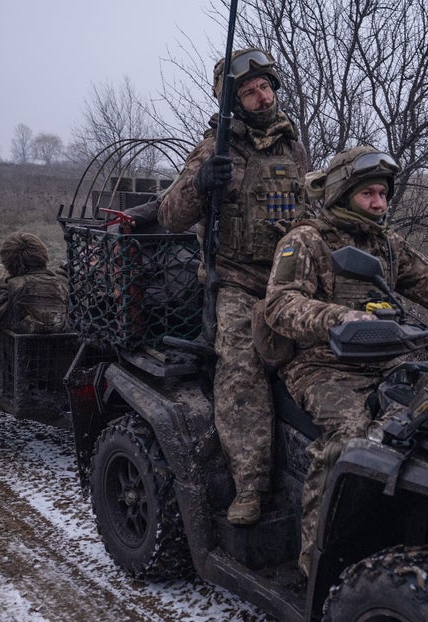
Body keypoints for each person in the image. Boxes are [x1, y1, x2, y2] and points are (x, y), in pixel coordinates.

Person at [263, 146, 428, 576]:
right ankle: (316, 558)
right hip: (324, 364)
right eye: (369, 195)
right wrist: (338, 318)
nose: (379, 203)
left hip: (389, 357)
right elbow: (280, 305)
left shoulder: (384, 242)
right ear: (345, 194)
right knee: (350, 437)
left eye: (383, 193)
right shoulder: (305, 241)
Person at [158, 47, 310, 527]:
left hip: (289, 279)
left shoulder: (293, 146)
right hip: (237, 282)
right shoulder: (215, 147)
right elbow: (170, 217)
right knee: (241, 369)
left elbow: (312, 211)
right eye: (248, 91)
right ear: (233, 101)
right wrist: (202, 182)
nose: (261, 97)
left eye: (265, 87)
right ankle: (250, 485)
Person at [0, 232, 69, 366]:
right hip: (57, 367)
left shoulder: (0, 292)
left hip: (9, 368)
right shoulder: (65, 288)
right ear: (43, 256)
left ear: (6, 262)